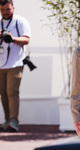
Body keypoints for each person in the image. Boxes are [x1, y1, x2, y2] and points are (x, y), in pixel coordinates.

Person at [0, 0, 31, 132]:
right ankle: (7, 120)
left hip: (16, 62)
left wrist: (12, 39)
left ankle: (13, 121)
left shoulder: (20, 21)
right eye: (2, 10)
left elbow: (27, 39)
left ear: (13, 8)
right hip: (1, 64)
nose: (5, 12)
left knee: (12, 92)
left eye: (8, 9)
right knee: (3, 94)